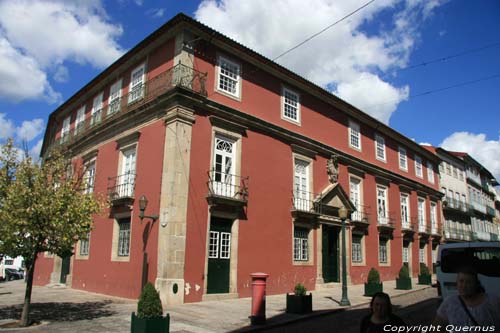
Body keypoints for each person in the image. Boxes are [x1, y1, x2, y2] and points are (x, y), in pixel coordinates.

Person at [433, 265, 500, 328]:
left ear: (476, 284)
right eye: (461, 281)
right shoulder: (449, 303)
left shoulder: (492, 301)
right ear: (457, 283)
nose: (464, 285)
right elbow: (437, 327)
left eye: (469, 282)